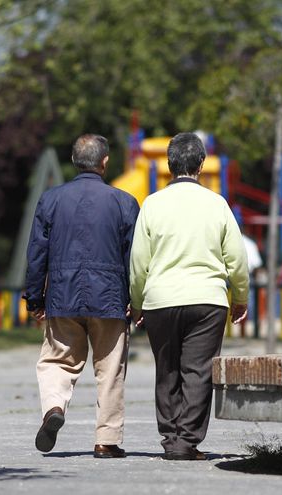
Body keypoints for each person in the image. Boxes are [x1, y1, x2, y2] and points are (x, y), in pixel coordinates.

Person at [129, 132, 249, 461]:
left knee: (166, 369)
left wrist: (137, 302)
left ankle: (170, 438)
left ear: (169, 166)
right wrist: (240, 297)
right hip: (207, 300)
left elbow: (139, 262)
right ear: (201, 163)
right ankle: (187, 442)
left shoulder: (151, 204)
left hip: (160, 299)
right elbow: (236, 259)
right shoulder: (217, 203)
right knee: (198, 371)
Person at [24, 134, 140, 459]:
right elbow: (135, 257)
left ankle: (53, 408)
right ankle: (107, 440)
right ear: (105, 162)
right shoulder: (124, 202)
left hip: (62, 295)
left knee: (57, 360)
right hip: (110, 299)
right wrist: (135, 298)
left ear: (75, 161)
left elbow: (36, 253)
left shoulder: (51, 199)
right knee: (110, 369)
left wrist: (35, 298)